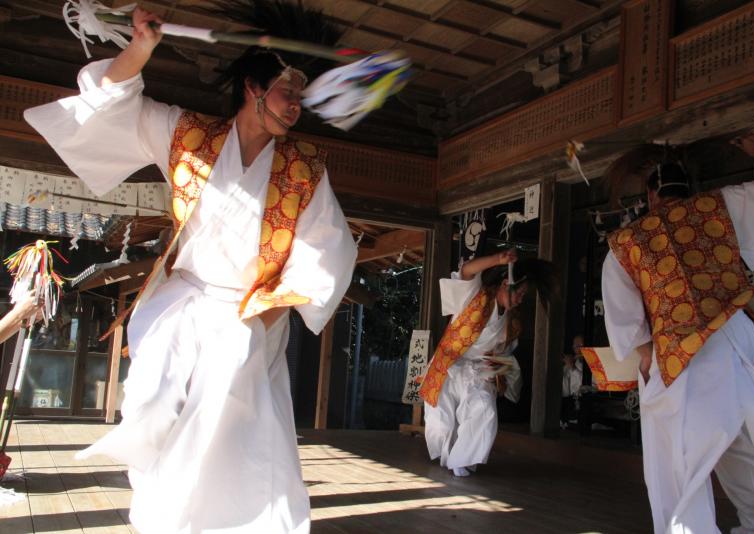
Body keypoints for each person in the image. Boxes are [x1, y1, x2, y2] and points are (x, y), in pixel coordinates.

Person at [24, 7, 356, 534]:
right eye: (287, 90)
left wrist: (260, 322)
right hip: (185, 301)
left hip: (253, 316)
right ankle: (163, 518)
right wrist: (140, 48)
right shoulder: (188, 136)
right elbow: (116, 102)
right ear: (253, 86)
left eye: (301, 94)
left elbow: (326, 250)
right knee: (155, 408)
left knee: (232, 432)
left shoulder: (305, 168)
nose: (296, 105)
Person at [602, 133, 754, 533]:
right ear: (687, 187)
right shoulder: (719, 208)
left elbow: (627, 324)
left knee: (678, 461)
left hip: (675, 358)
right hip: (729, 343)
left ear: (652, 195)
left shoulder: (625, 243)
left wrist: (647, 361)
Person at [420, 249, 552, 477]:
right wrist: (497, 259)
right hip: (448, 364)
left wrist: (499, 371)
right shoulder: (475, 297)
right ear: (505, 283)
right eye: (519, 292)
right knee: (442, 422)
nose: (520, 299)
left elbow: (503, 354)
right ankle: (448, 454)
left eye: (523, 295)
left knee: (485, 409)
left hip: (478, 369)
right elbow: (467, 271)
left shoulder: (512, 323)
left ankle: (463, 459)